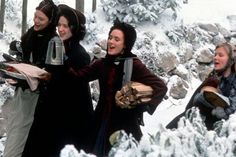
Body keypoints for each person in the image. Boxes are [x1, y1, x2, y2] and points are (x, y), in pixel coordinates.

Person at [68, 19, 168, 156]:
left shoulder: (134, 65)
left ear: (125, 45)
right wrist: (61, 64)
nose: (111, 42)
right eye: (110, 38)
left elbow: (160, 86)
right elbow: (78, 77)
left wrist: (138, 103)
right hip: (100, 122)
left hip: (124, 126)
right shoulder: (102, 64)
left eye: (116, 39)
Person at [22, 4, 94, 157]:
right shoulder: (57, 46)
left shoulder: (80, 55)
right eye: (59, 25)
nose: (61, 29)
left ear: (74, 28)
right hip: (49, 113)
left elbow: (75, 87)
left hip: (68, 119)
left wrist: (54, 76)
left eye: (65, 26)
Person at [2, 1, 58, 157]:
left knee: (26, 139)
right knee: (15, 132)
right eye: (35, 16)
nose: (36, 21)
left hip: (38, 99)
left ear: (50, 21)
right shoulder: (30, 35)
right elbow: (25, 59)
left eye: (41, 18)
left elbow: (51, 74)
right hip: (22, 94)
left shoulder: (54, 41)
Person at [166, 42, 236, 130]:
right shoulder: (215, 77)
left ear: (231, 60)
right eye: (215, 54)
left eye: (220, 55)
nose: (215, 57)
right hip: (193, 117)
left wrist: (223, 112)